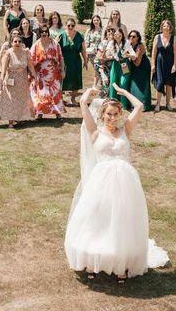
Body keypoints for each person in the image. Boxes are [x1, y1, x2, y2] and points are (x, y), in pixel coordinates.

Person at [64, 85, 169, 282]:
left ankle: (122, 262)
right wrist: (89, 93)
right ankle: (92, 261)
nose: (113, 118)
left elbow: (140, 106)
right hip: (101, 182)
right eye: (109, 114)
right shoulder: (94, 132)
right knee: (98, 219)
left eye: (116, 114)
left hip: (125, 182)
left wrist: (122, 92)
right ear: (102, 115)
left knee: (122, 220)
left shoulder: (125, 131)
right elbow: (82, 103)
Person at [0, 34, 37, 128]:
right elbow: (3, 69)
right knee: (11, 100)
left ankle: (20, 118)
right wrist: (3, 79)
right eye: (15, 41)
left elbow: (30, 66)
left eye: (19, 41)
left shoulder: (26, 53)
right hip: (11, 79)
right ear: (11, 43)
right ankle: (11, 122)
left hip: (23, 79)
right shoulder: (8, 53)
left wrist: (35, 76)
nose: (17, 43)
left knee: (21, 99)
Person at [30, 24, 66, 120]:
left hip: (54, 72)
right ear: (39, 33)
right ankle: (40, 113)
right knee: (42, 93)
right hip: (40, 72)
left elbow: (61, 58)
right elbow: (31, 61)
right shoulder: (36, 45)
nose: (44, 33)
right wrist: (33, 75)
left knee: (55, 93)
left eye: (46, 31)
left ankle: (58, 113)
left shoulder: (54, 43)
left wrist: (63, 70)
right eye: (42, 32)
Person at [151, 20, 176, 111]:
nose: (166, 28)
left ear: (170, 28)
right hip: (159, 63)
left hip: (170, 63)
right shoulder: (157, 37)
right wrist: (153, 64)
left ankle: (168, 104)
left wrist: (174, 65)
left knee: (169, 84)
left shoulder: (174, 38)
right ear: (162, 27)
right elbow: (154, 52)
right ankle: (158, 104)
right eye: (164, 26)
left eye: (168, 26)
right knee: (160, 83)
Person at [59, 18, 87, 106]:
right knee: (62, 80)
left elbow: (83, 50)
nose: (70, 27)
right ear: (65, 26)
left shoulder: (79, 36)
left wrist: (85, 61)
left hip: (76, 61)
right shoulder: (61, 35)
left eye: (72, 25)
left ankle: (73, 98)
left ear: (75, 26)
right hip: (64, 61)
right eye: (68, 25)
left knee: (76, 80)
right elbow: (55, 48)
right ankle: (61, 99)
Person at [107, 28, 135, 109]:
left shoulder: (126, 42)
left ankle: (123, 105)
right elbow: (107, 54)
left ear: (122, 35)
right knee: (114, 83)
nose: (117, 36)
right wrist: (107, 56)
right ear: (114, 36)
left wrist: (128, 55)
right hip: (115, 65)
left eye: (119, 34)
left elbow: (133, 55)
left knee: (123, 84)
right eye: (116, 35)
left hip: (125, 65)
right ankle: (113, 103)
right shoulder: (111, 43)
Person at [128, 30, 152, 111]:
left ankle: (143, 105)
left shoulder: (140, 47)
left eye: (134, 36)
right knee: (133, 84)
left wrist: (129, 56)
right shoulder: (129, 45)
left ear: (138, 38)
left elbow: (137, 63)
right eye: (130, 36)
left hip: (142, 67)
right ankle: (133, 104)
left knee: (141, 85)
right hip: (134, 66)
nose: (131, 37)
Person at [85, 15, 103, 87]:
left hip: (100, 52)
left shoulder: (102, 30)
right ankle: (96, 84)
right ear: (92, 21)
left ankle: (98, 84)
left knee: (100, 68)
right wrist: (86, 53)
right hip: (91, 53)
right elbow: (86, 42)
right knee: (96, 68)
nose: (96, 21)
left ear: (100, 21)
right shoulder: (89, 30)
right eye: (94, 20)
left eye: (97, 20)